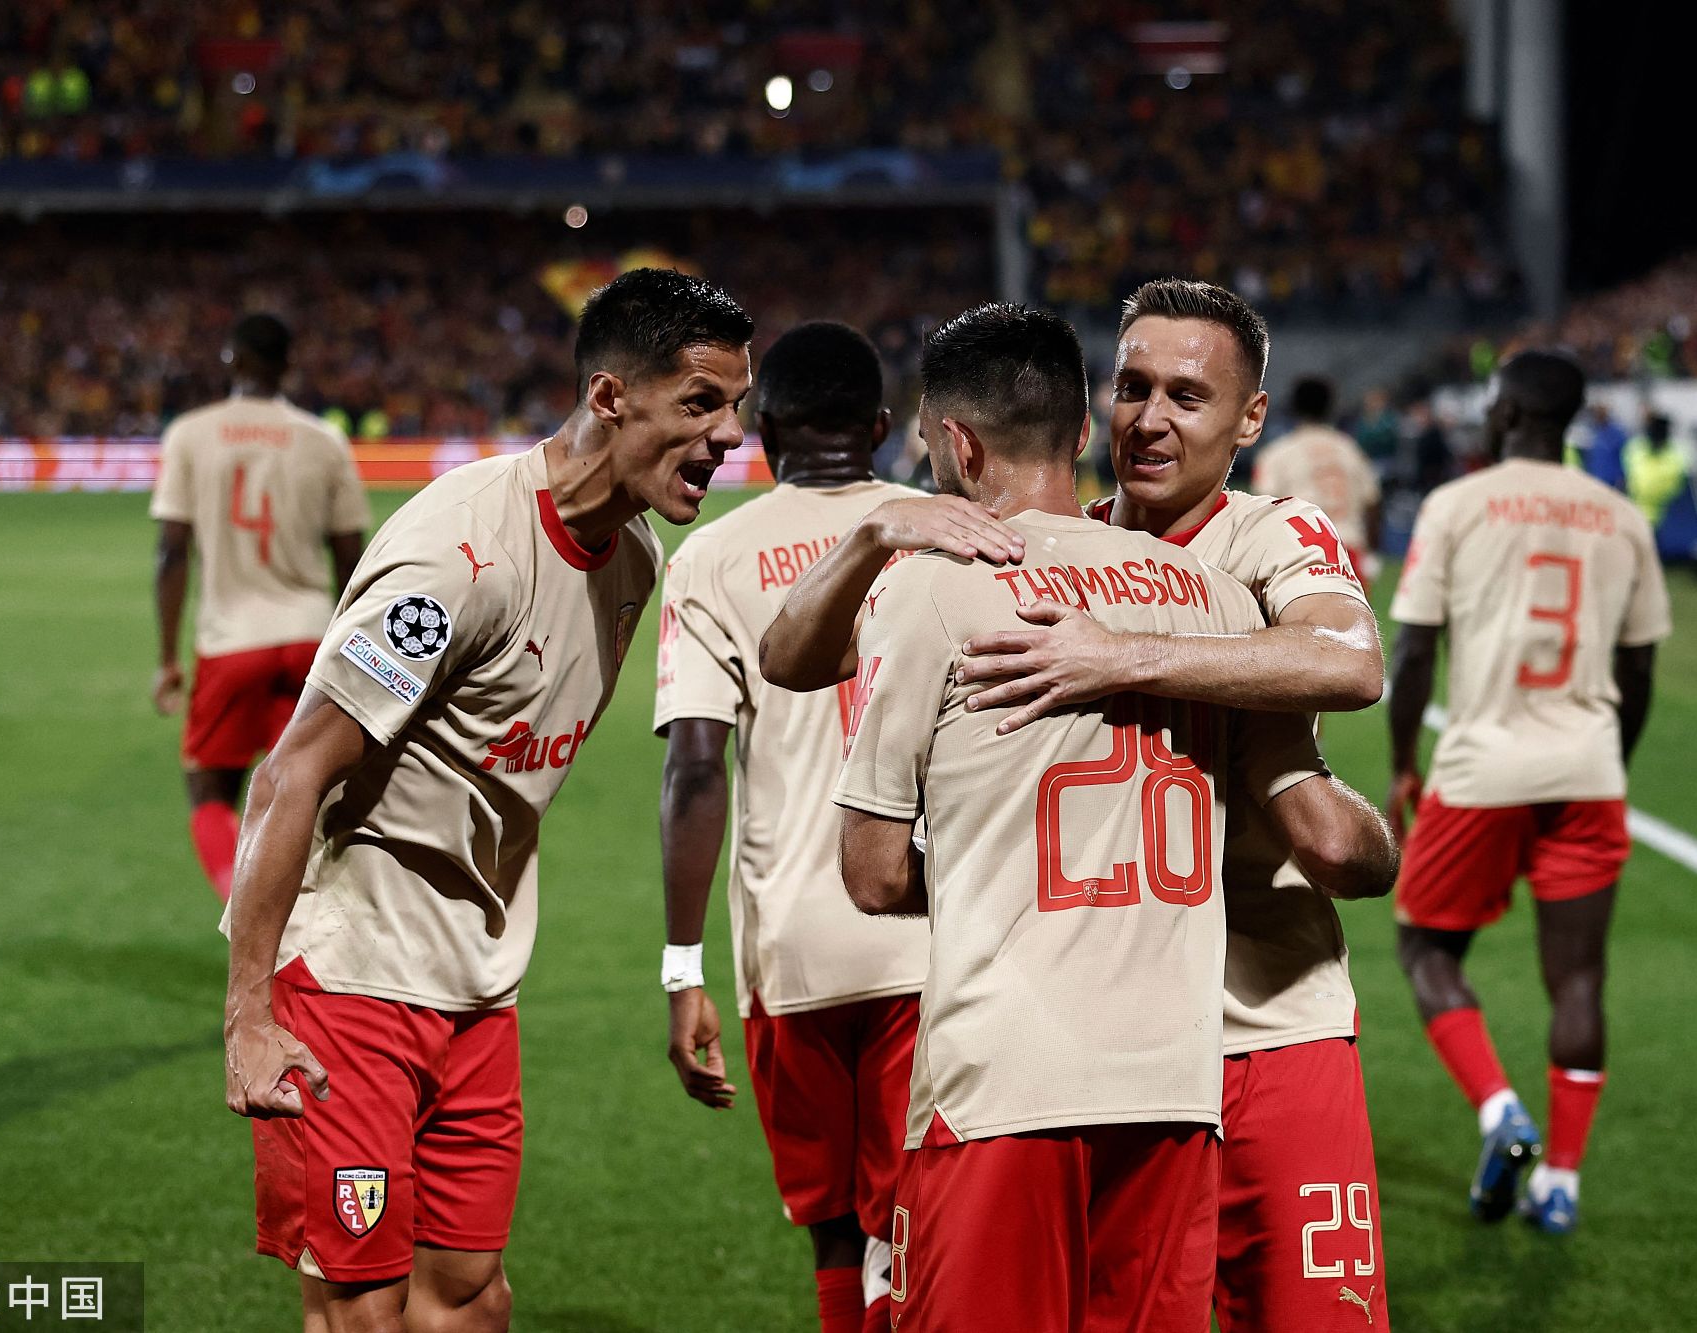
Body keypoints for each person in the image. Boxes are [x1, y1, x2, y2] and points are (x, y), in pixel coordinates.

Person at [764, 279, 1401, 1332]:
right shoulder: (1067, 552)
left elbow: (1350, 660)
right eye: (1132, 387)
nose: (1148, 419)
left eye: (1186, 396)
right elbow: (801, 656)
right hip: (1136, 1034)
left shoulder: (1267, 538)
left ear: (1250, 418)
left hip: (1263, 1020)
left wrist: (1118, 655)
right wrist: (877, 532)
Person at [219, 269, 753, 1332]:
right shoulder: (456, 561)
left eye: (736, 406)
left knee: (467, 1297)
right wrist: (249, 1013)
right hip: (353, 975)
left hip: (477, 984)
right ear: (610, 397)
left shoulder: (632, 558)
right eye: (701, 402)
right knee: (364, 1307)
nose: (729, 434)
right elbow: (290, 773)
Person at [652, 322, 929, 1333]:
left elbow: (694, 767)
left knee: (835, 1229)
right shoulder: (944, 533)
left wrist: (682, 967)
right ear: (882, 427)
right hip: (932, 926)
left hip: (795, 944)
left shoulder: (712, 557)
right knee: (917, 1222)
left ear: (762, 431)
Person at [1386, 348, 1671, 1235]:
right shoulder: (1621, 517)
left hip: (1483, 768)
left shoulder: (1457, 504)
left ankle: (1500, 1109)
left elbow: (1415, 650)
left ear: (1507, 412)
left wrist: (1402, 762)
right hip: (1587, 768)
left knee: (1427, 949)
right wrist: (1610, 755)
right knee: (1579, 979)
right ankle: (1563, 1183)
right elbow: (1640, 666)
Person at [150, 313, 369, 901]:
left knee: (210, 793)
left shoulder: (191, 434)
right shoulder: (323, 440)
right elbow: (353, 556)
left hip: (231, 641)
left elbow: (171, 552)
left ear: (233, 359)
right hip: (311, 640)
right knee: (306, 798)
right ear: (288, 365)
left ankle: (246, 910)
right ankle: (311, 922)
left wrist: (168, 658)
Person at [1253, 374, 1383, 576]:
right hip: (1349, 552)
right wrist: (1372, 551)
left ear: (1294, 407)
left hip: (1300, 554)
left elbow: (1264, 508)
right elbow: (1373, 503)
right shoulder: (1350, 450)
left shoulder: (1278, 454)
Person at [1621, 413, 1688, 529]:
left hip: (1660, 516)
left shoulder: (1676, 457)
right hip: (1632, 512)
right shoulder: (1635, 448)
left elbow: (1673, 489)